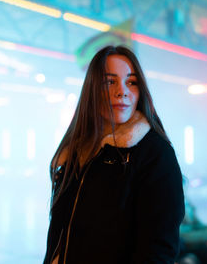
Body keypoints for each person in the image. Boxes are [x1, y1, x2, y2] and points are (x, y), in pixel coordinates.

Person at [43, 45, 185, 264]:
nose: (122, 91)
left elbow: (159, 250)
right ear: (92, 89)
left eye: (131, 82)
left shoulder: (155, 154)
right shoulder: (74, 155)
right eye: (110, 82)